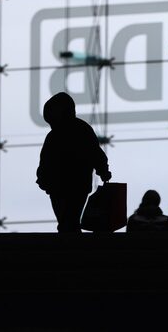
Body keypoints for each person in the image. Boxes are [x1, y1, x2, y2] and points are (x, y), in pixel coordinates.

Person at [36, 92, 112, 233]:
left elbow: (45, 160)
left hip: (58, 186)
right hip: (78, 184)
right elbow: (95, 153)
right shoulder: (83, 129)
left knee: (65, 220)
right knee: (70, 219)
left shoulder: (53, 136)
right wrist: (103, 170)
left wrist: (42, 178)